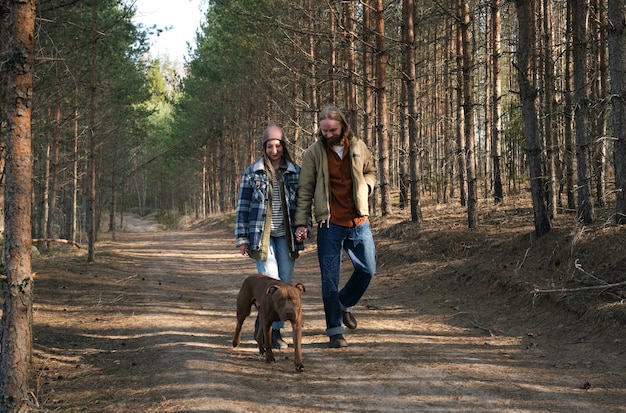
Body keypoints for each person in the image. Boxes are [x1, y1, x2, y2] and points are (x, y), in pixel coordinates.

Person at [294, 105, 377, 348]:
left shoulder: (359, 146)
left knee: (368, 270)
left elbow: (371, 172)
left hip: (359, 222)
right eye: (324, 130)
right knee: (329, 279)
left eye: (332, 130)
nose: (328, 134)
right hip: (330, 225)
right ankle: (334, 331)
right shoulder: (313, 153)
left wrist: (367, 187)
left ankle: (344, 304)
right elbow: (305, 190)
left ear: (343, 126)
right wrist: (302, 222)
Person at [235, 120, 305, 349]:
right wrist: (242, 238)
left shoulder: (295, 172)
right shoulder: (252, 173)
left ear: (284, 145)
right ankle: (271, 335)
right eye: (269, 147)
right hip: (260, 238)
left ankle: (264, 330)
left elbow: (304, 204)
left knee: (285, 287)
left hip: (287, 238)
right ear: (263, 148)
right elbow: (243, 207)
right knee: (270, 285)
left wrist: (304, 226)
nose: (274, 151)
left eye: (278, 146)